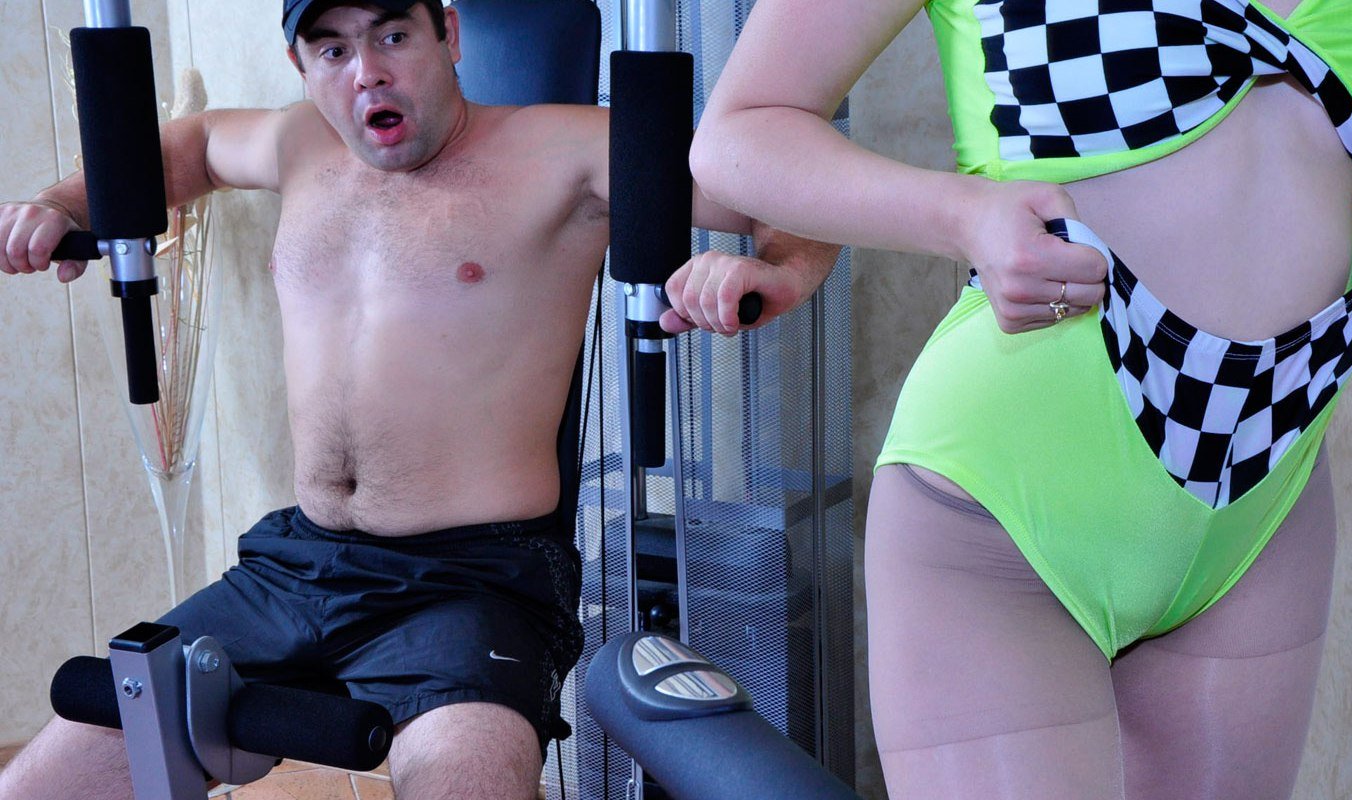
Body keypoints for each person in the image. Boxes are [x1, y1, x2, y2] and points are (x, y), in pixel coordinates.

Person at [0, 1, 837, 798]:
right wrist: (64, 203)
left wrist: (777, 271)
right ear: (300, 66)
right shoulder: (298, 141)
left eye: (393, 35)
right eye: (333, 49)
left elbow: (792, 188)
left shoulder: (569, 149)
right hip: (295, 565)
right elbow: (196, 145)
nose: (366, 71)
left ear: (450, 36)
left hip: (475, 582)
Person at [663, 0, 1352, 798]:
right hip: (1016, 489)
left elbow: (1257, 152)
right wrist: (963, 215)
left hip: (1267, 491)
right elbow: (739, 137)